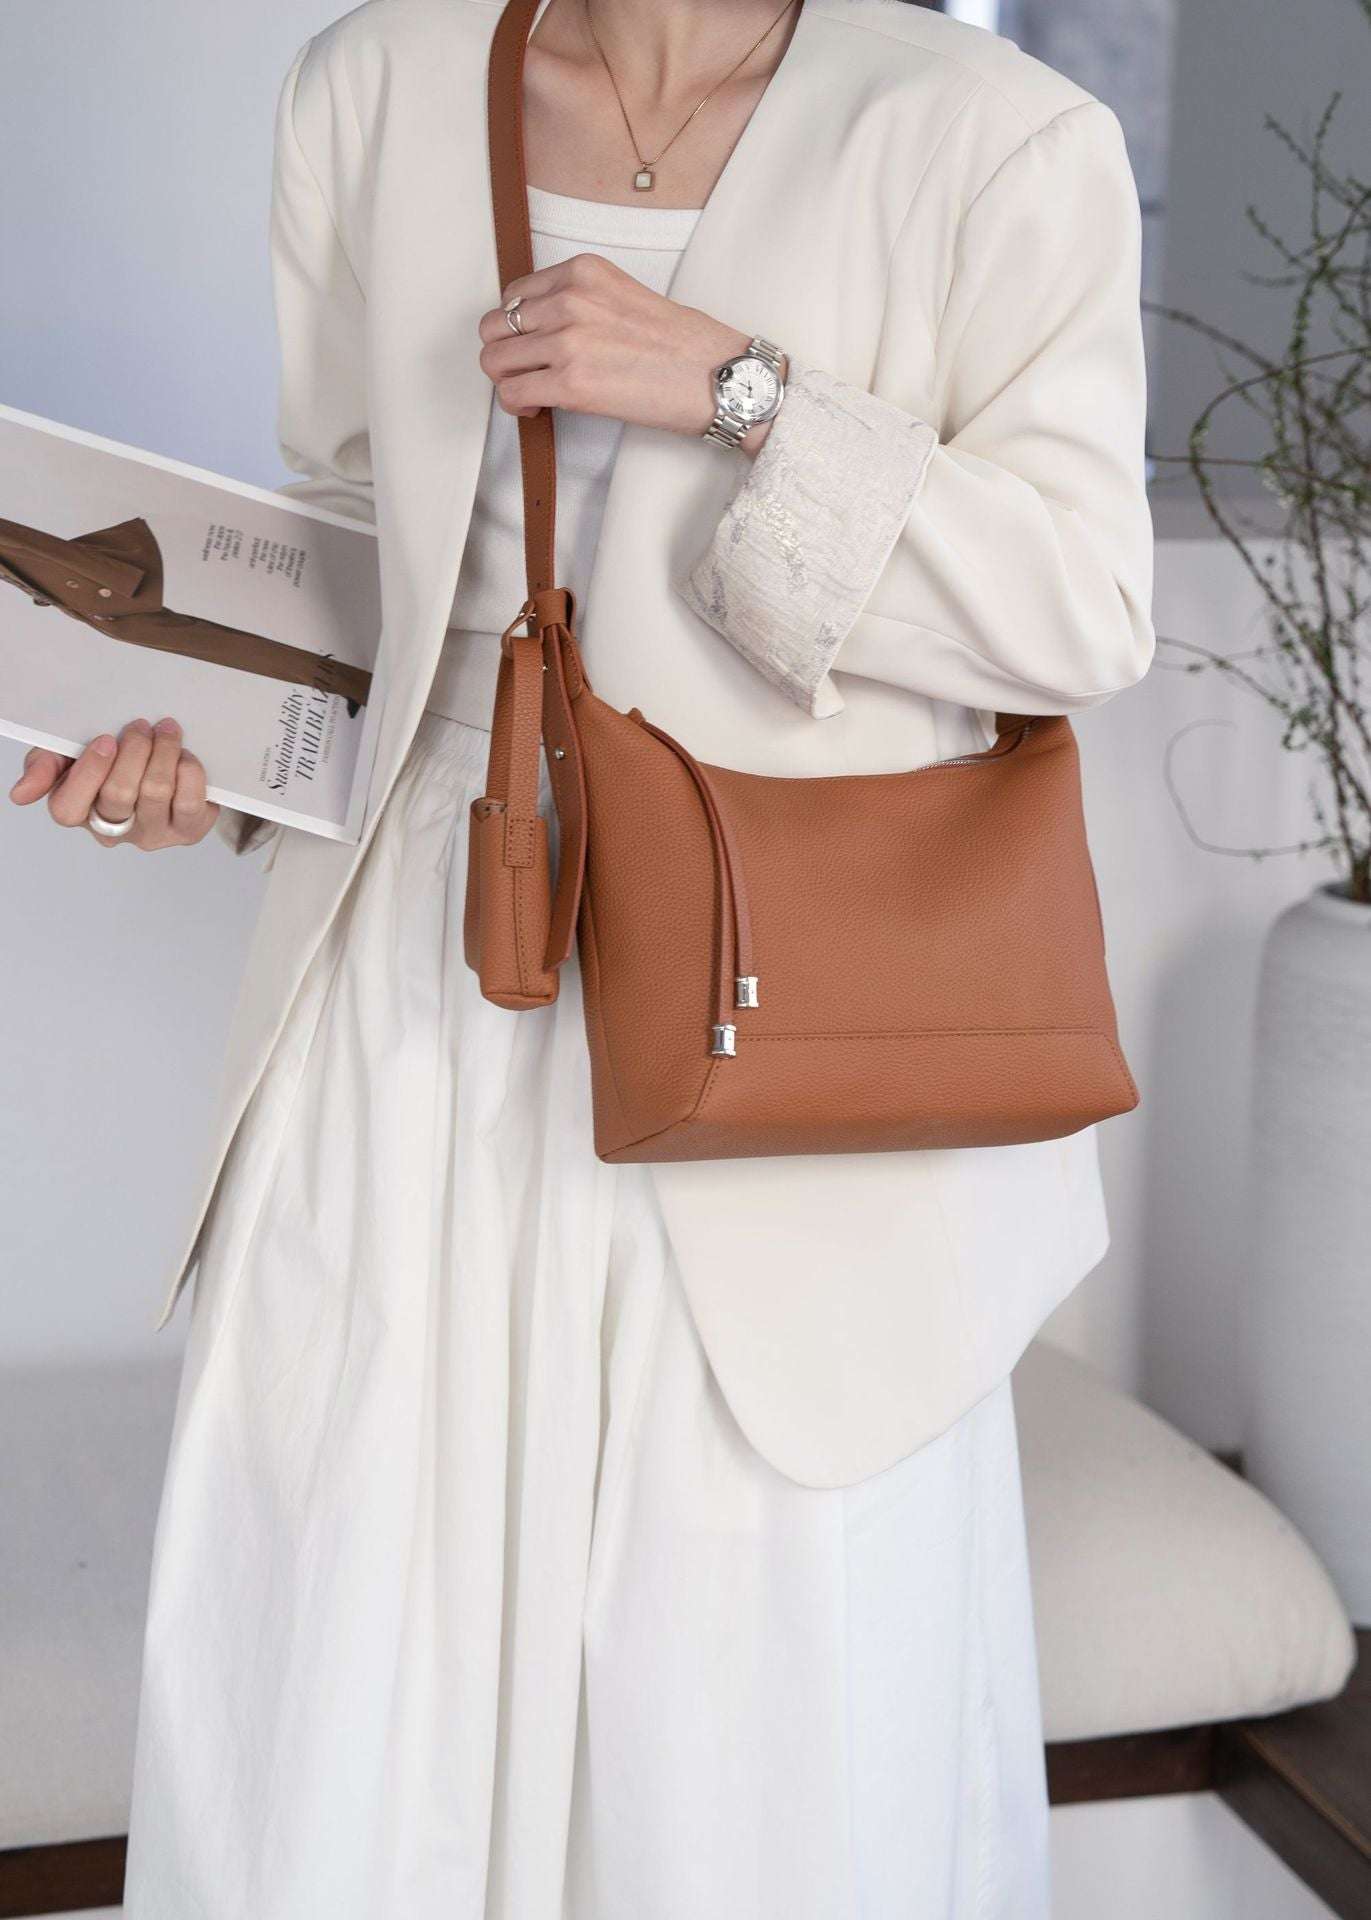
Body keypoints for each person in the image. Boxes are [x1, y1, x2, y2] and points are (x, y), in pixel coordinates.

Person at [10, 0, 1155, 1912]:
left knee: (754, 1785)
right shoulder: (374, 85)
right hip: (415, 1012)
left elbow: (1084, 606)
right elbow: (363, 549)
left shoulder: (999, 136)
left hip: (790, 1051)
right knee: (355, 1724)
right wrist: (204, 770)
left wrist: (743, 392)